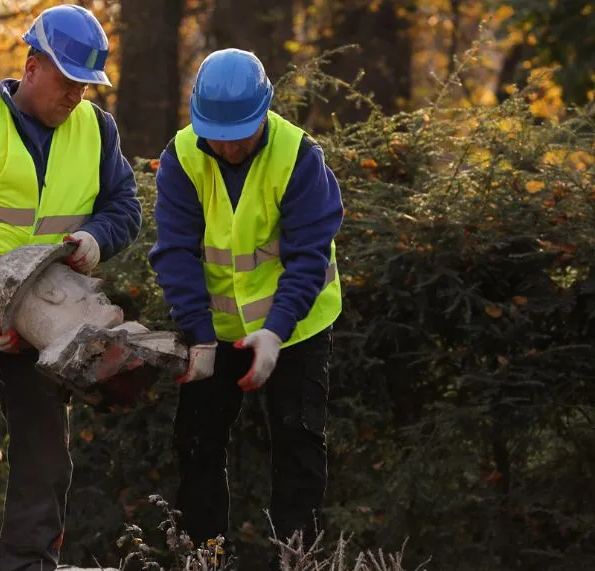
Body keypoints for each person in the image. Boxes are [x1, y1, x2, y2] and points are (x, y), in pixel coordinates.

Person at [0, 4, 141, 570]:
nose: (76, 97)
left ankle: (27, 563)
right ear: (33, 66)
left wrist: (96, 238)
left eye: (87, 87)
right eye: (68, 82)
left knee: (45, 450)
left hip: (49, 311)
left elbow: (125, 208)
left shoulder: (98, 129)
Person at [148, 48, 344, 563]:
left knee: (297, 445)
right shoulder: (182, 157)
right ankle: (204, 561)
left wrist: (276, 331)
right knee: (196, 446)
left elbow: (307, 258)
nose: (230, 147)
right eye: (218, 133)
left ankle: (299, 561)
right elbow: (175, 253)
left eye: (242, 134)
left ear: (265, 112)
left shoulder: (300, 157)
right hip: (213, 329)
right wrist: (200, 334)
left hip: (295, 329)